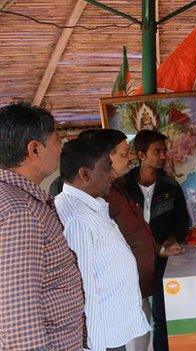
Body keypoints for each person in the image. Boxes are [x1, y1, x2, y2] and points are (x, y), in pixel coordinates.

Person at [0, 102, 85, 350]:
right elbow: (17, 311)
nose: (60, 149)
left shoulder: (22, 201)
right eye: (56, 141)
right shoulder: (20, 212)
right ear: (34, 149)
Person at [55, 138, 150, 351]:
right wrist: (95, 344)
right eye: (107, 167)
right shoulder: (77, 218)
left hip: (111, 329)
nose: (113, 174)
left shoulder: (90, 205)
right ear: (85, 175)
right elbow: (83, 285)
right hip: (101, 336)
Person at [124, 130, 189, 351]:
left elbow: (182, 223)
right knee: (135, 316)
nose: (163, 155)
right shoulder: (122, 187)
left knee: (162, 316)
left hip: (163, 260)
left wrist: (170, 242)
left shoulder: (171, 187)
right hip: (131, 260)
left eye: (164, 151)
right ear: (142, 155)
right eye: (157, 151)